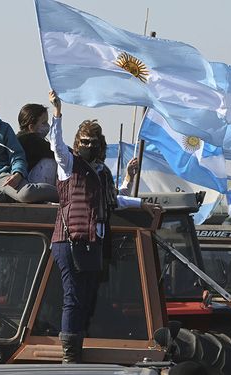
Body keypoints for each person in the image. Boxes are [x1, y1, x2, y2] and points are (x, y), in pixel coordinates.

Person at [48, 90, 158, 363]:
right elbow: (57, 146)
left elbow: (112, 200)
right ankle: (69, 355)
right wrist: (58, 113)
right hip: (69, 239)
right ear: (77, 141)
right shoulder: (69, 164)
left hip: (92, 242)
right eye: (83, 140)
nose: (87, 145)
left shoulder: (101, 172)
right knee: (73, 296)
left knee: (86, 296)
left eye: (92, 141)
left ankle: (78, 343)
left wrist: (138, 198)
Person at [16, 102, 57, 185]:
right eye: (44, 122)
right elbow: (57, 152)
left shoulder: (16, 138)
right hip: (27, 182)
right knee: (51, 162)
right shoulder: (32, 139)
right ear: (31, 127)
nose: (47, 125)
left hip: (21, 180)